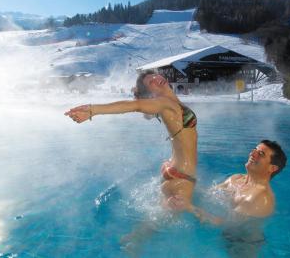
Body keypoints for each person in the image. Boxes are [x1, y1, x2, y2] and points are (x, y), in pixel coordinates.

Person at [64, 70, 198, 211]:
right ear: (151, 92)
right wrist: (93, 110)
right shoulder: (163, 103)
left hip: (174, 168)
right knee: (156, 227)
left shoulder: (171, 102)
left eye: (153, 75)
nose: (154, 79)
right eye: (149, 82)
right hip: (182, 176)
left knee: (156, 224)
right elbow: (135, 106)